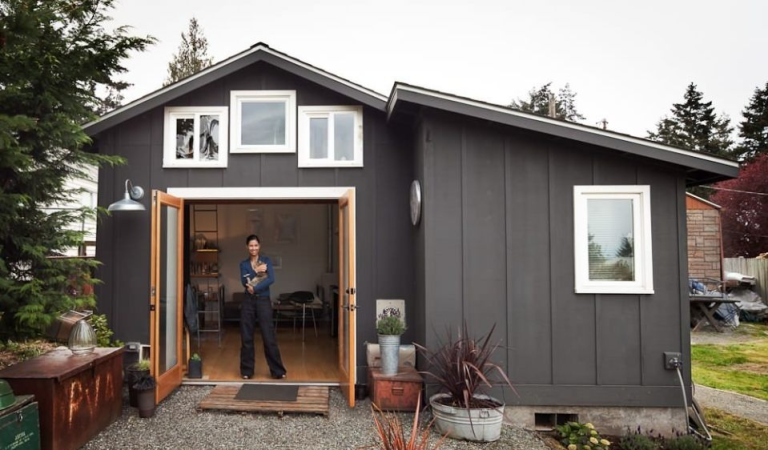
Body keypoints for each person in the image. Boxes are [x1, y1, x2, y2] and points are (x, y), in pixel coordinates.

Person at [239, 234, 287, 380]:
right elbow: (244, 282)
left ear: (259, 246)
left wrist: (254, 286)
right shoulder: (243, 264)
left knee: (268, 336)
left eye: (256, 245)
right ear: (247, 247)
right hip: (248, 302)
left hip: (263, 301)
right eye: (251, 245)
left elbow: (271, 278)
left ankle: (278, 371)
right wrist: (259, 273)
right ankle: (247, 371)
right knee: (246, 336)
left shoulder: (266, 261)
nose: (253, 248)